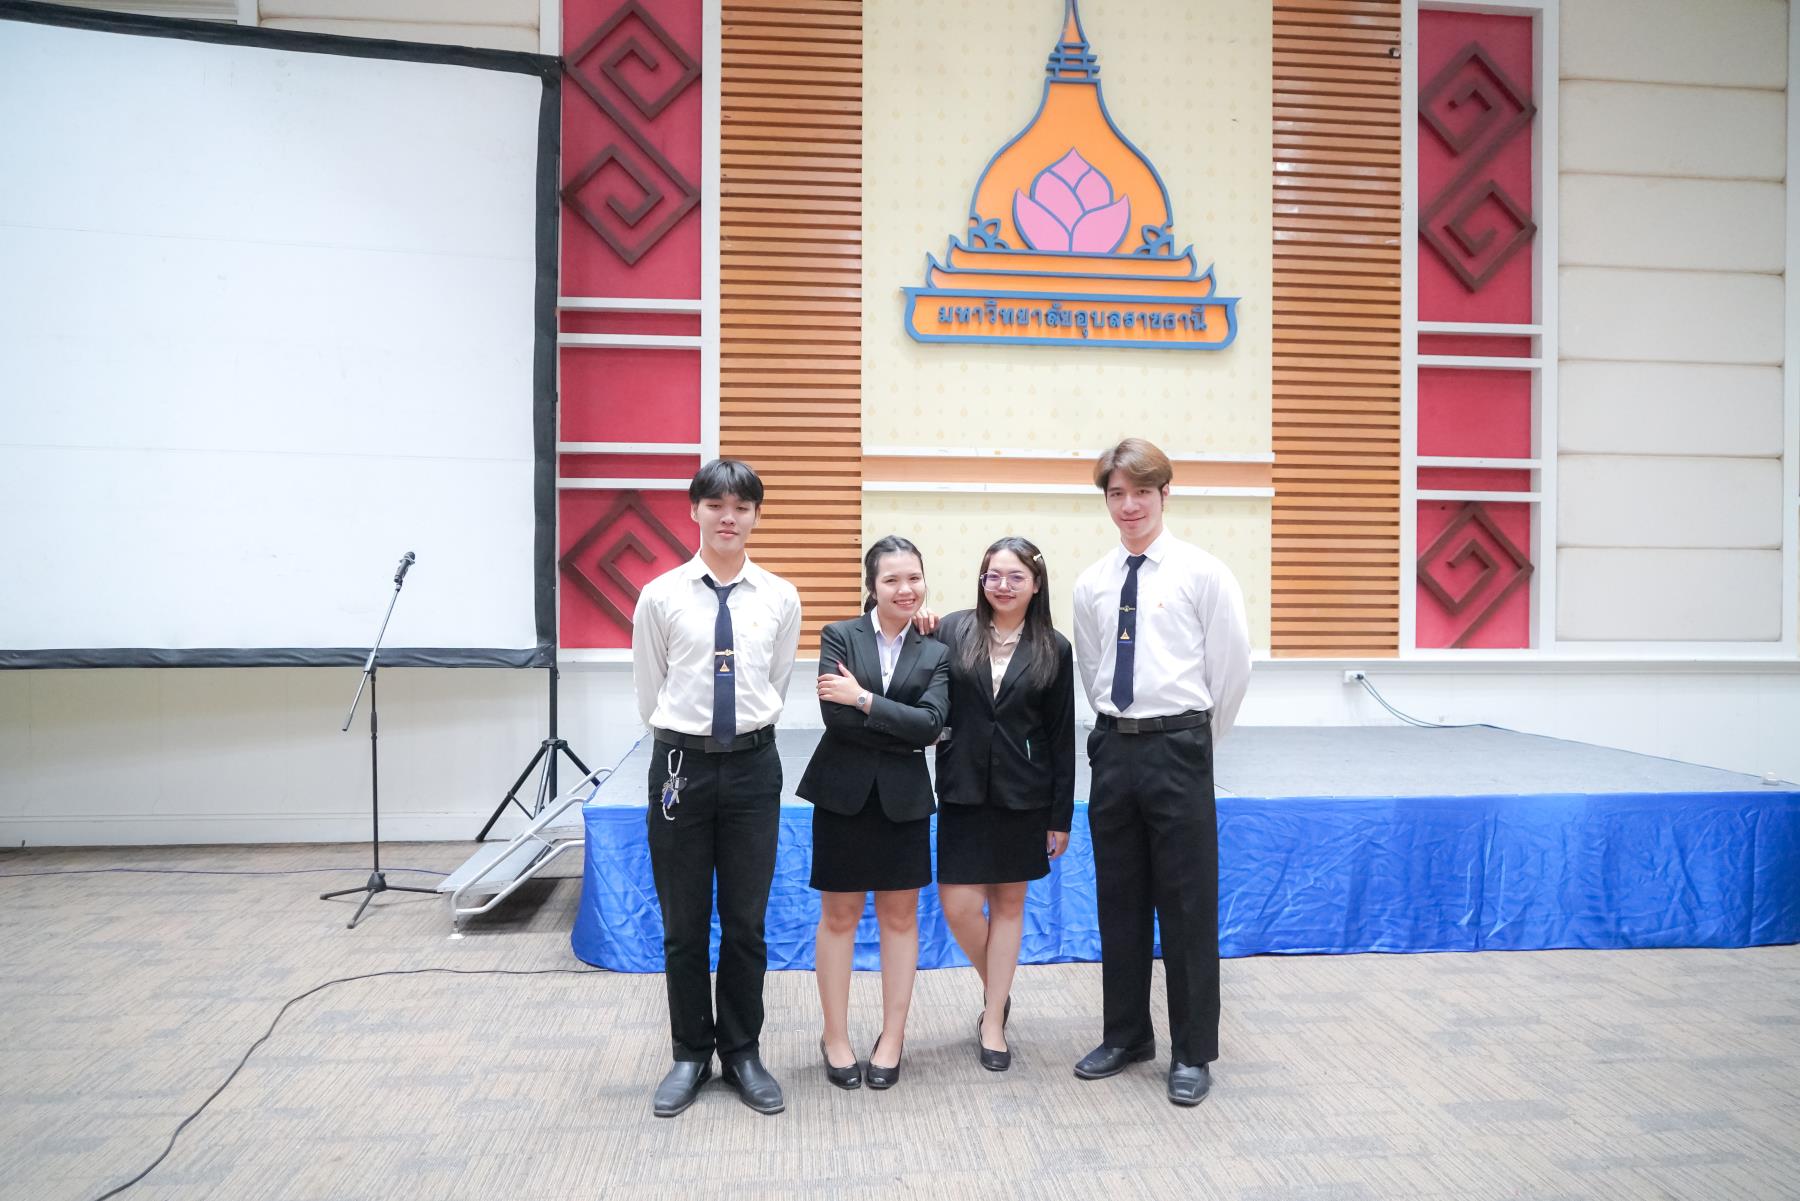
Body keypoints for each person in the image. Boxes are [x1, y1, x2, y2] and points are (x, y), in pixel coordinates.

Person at [1070, 437, 1251, 1107]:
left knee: (1186, 903)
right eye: (1117, 494)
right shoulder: (1092, 581)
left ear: (1165, 494)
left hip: (1179, 747)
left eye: (1141, 492)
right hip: (1114, 749)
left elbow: (1231, 669)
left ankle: (1192, 1050)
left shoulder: (1203, 573)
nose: (1129, 505)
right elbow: (1093, 666)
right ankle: (1126, 1034)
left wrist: (1193, 739)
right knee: (1118, 899)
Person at [631, 459, 802, 1118]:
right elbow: (652, 688)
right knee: (682, 924)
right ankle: (688, 1053)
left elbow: (775, 682)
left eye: (741, 506)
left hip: (754, 767)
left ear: (756, 515)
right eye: (715, 505)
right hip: (681, 766)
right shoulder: (661, 596)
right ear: (694, 511)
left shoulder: (779, 596)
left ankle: (742, 1050)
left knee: (746, 922)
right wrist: (688, 739)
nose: (728, 517)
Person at [797, 536, 950, 1091]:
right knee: (838, 918)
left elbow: (931, 726)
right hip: (842, 794)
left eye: (914, 578)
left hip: (904, 800)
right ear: (872, 585)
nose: (905, 589)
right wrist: (897, 721)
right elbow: (834, 720)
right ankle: (835, 1036)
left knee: (900, 919)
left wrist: (862, 699)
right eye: (892, 580)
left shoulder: (937, 648)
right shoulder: (840, 635)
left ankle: (892, 1037)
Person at [927, 536, 1075, 1072]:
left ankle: (993, 1021)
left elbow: (1061, 736)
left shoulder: (1054, 647)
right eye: (994, 575)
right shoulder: (951, 630)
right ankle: (1000, 989)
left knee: (1010, 906)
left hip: (1024, 792)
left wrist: (1061, 815)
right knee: (959, 906)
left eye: (1016, 577)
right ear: (982, 580)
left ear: (1036, 584)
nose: (1003, 586)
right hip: (962, 786)